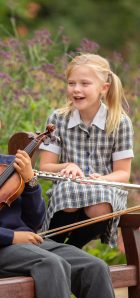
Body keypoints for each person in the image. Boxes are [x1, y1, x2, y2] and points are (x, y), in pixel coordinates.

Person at [0, 89, 115, 298]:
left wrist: (30, 181)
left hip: (29, 244)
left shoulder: (13, 164)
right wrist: (13, 237)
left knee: (95, 266)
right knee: (51, 264)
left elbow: (35, 220)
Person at [39, 53, 134, 249]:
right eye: (71, 83)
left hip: (104, 190)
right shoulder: (57, 119)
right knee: (68, 192)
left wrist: (103, 179)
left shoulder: (120, 122)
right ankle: (51, 245)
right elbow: (45, 166)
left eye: (84, 84)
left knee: (101, 203)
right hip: (68, 192)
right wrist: (67, 166)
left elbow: (123, 174)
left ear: (104, 88)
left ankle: (71, 250)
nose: (76, 89)